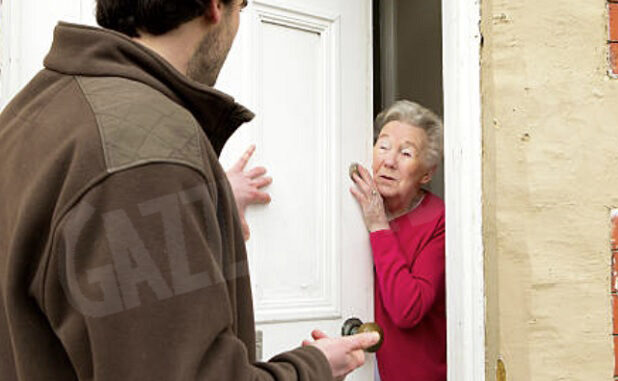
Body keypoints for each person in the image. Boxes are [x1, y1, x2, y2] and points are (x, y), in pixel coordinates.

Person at [0, 0, 379, 380]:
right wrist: (313, 368)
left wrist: (209, 203)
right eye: (242, 6)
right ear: (216, 6)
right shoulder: (148, 152)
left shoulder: (33, 112)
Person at [350, 100, 446, 381]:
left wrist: (379, 226)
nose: (389, 161)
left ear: (427, 173)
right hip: (359, 365)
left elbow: (408, 310)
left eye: (406, 153)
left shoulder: (438, 220)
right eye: (383, 146)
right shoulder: (348, 206)